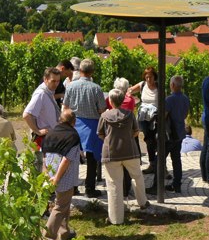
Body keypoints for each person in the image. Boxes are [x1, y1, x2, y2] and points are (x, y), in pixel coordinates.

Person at [98, 88, 148, 224]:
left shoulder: (104, 116)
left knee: (114, 184)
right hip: (130, 151)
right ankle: (143, 202)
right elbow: (136, 131)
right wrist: (127, 138)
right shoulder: (130, 114)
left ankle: (116, 219)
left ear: (110, 101)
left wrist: (109, 141)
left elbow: (100, 134)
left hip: (111, 154)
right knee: (137, 176)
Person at [61, 60, 107, 197]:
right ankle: (90, 188)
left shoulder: (70, 86)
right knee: (92, 160)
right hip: (92, 126)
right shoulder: (96, 88)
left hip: (74, 124)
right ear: (92, 72)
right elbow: (102, 110)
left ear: (79, 70)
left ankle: (73, 187)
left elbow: (66, 106)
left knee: (72, 158)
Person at [42, 108, 81, 240]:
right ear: (73, 122)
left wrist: (47, 174)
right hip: (64, 176)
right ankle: (47, 239)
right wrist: (57, 177)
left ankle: (64, 233)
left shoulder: (50, 133)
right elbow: (66, 160)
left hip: (50, 173)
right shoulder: (73, 136)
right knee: (60, 206)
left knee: (63, 204)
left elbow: (44, 155)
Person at [23, 67, 62, 172]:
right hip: (44, 140)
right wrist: (37, 131)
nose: (56, 84)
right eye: (53, 81)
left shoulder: (48, 91)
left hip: (50, 138)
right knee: (45, 171)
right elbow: (26, 114)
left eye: (58, 81)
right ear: (45, 79)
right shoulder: (41, 93)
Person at [129, 67, 160, 175]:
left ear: (154, 77)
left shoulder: (159, 87)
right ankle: (154, 164)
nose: (148, 79)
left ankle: (158, 165)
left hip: (155, 118)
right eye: (146, 77)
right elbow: (130, 91)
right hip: (143, 118)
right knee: (149, 140)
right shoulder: (142, 85)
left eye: (150, 77)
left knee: (155, 141)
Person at [162, 75, 189, 192]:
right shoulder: (185, 98)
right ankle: (176, 184)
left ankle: (156, 185)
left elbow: (163, 116)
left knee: (160, 159)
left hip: (170, 134)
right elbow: (185, 115)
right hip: (180, 133)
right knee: (176, 159)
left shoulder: (169, 99)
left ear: (172, 85)